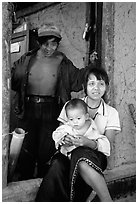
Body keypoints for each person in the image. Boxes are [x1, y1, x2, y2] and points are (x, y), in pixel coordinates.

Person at [11, 23, 92, 180]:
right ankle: (24, 180)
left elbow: (76, 79)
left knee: (47, 148)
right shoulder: (27, 59)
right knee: (26, 147)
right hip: (28, 107)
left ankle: (44, 182)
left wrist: (91, 67)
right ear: (39, 42)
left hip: (51, 108)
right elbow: (12, 79)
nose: (50, 48)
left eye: (53, 43)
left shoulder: (62, 61)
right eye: (46, 44)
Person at [35, 67, 121, 202]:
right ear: (84, 86)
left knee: (79, 154)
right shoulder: (71, 106)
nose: (96, 88)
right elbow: (61, 130)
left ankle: (107, 200)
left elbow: (108, 145)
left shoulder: (111, 113)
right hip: (69, 151)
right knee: (57, 163)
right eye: (91, 83)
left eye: (101, 84)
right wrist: (65, 140)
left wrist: (87, 142)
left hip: (95, 155)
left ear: (107, 87)